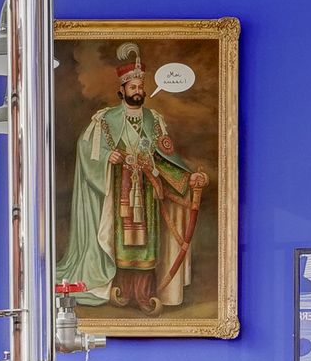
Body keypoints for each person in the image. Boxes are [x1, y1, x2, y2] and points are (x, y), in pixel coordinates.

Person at [58, 44, 207, 312]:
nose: (137, 90)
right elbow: (86, 148)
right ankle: (121, 290)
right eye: (132, 86)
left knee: (147, 247)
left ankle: (144, 294)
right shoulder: (105, 120)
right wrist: (108, 157)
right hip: (119, 192)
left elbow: (165, 158)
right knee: (121, 243)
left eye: (140, 86)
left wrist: (188, 179)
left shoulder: (154, 120)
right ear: (122, 90)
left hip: (147, 193)